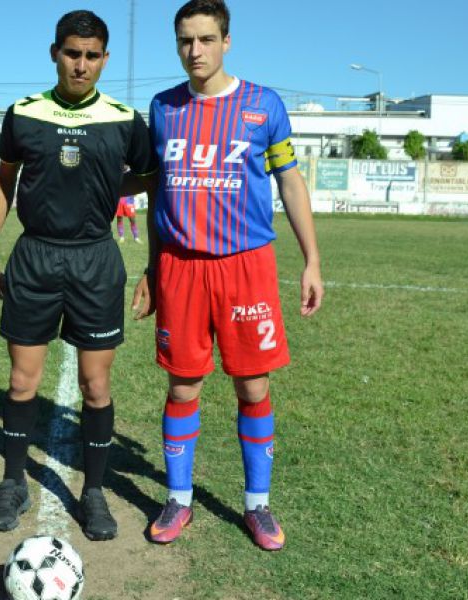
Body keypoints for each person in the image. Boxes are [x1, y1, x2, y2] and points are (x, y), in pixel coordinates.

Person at [132, 0, 324, 550]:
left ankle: (258, 505)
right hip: (181, 267)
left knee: (253, 383)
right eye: (186, 41)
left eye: (206, 39)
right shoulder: (163, 107)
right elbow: (156, 194)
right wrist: (150, 266)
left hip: (247, 267)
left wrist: (311, 259)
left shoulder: (264, 106)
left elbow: (290, 182)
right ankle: (179, 498)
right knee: (182, 383)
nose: (196, 51)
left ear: (227, 41)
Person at [0, 10, 157, 541]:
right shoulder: (24, 114)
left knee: (95, 384)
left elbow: (149, 177)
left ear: (103, 59)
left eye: (92, 55)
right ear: (55, 53)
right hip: (34, 257)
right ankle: (13, 482)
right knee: (20, 381)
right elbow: (4, 181)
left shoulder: (125, 119)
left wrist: (105, 194)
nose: (81, 65)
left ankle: (94, 491)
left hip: (95, 260)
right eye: (72, 53)